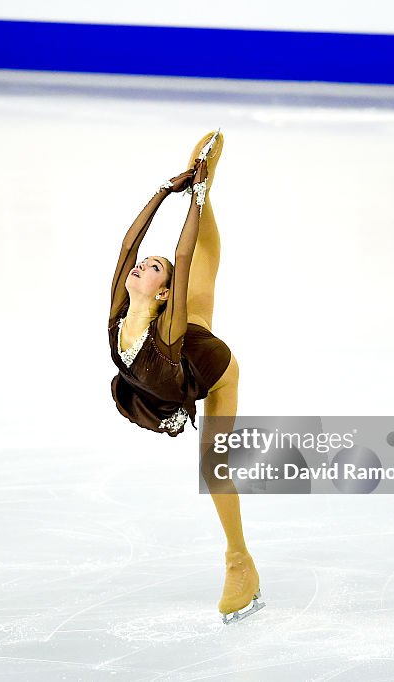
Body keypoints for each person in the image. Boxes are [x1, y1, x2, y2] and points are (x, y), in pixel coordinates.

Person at [107, 130, 263, 624]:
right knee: (202, 291)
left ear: (161, 295)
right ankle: (205, 184)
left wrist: (198, 196)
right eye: (143, 266)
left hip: (208, 368)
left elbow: (190, 255)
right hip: (169, 359)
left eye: (154, 269)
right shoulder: (118, 317)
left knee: (213, 468)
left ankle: (238, 559)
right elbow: (130, 243)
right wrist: (166, 190)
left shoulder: (171, 326)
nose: (140, 266)